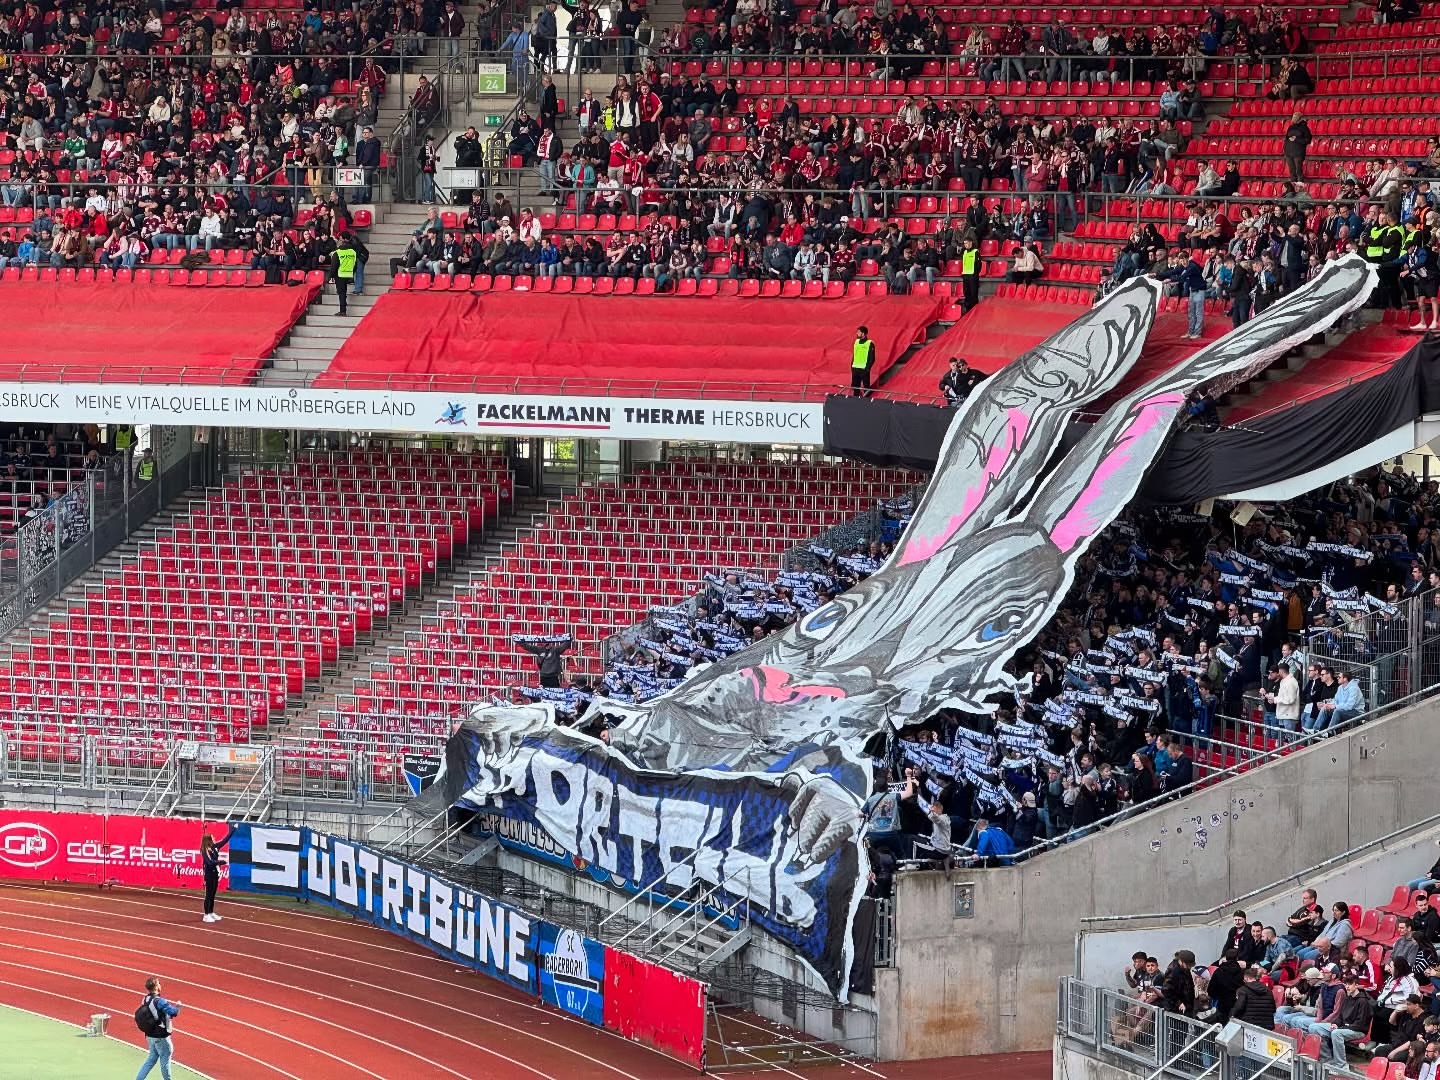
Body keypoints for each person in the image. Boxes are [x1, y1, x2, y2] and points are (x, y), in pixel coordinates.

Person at [135, 976, 183, 1080]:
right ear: (156, 986)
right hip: (161, 1036)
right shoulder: (160, 1001)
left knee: (151, 1059)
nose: (160, 985)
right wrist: (178, 1007)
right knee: (165, 1060)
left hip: (149, 1035)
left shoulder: (145, 999)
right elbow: (173, 1012)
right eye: (159, 983)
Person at [200, 825, 233, 923]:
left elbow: (225, 840)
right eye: (212, 837)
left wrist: (233, 829)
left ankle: (211, 912)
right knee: (208, 894)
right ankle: (206, 915)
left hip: (215, 874)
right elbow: (209, 862)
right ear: (209, 840)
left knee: (213, 893)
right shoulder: (205, 850)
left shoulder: (215, 847)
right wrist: (221, 862)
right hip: (209, 874)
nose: (214, 838)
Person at [332, 235, 362, 316]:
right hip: (349, 274)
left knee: (341, 293)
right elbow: (355, 265)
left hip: (340, 275)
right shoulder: (352, 252)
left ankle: (342, 311)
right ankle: (344, 304)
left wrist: (331, 276)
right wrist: (352, 272)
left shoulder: (338, 252)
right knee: (343, 292)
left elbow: (334, 266)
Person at [851, 326, 876, 397]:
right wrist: (852, 366)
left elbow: (872, 358)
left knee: (866, 388)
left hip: (864, 369)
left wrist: (867, 369)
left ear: (863, 333)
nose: (857, 333)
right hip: (855, 368)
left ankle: (866, 402)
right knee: (855, 388)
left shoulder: (870, 343)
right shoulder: (856, 342)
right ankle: (855, 401)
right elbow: (854, 355)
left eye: (859, 332)